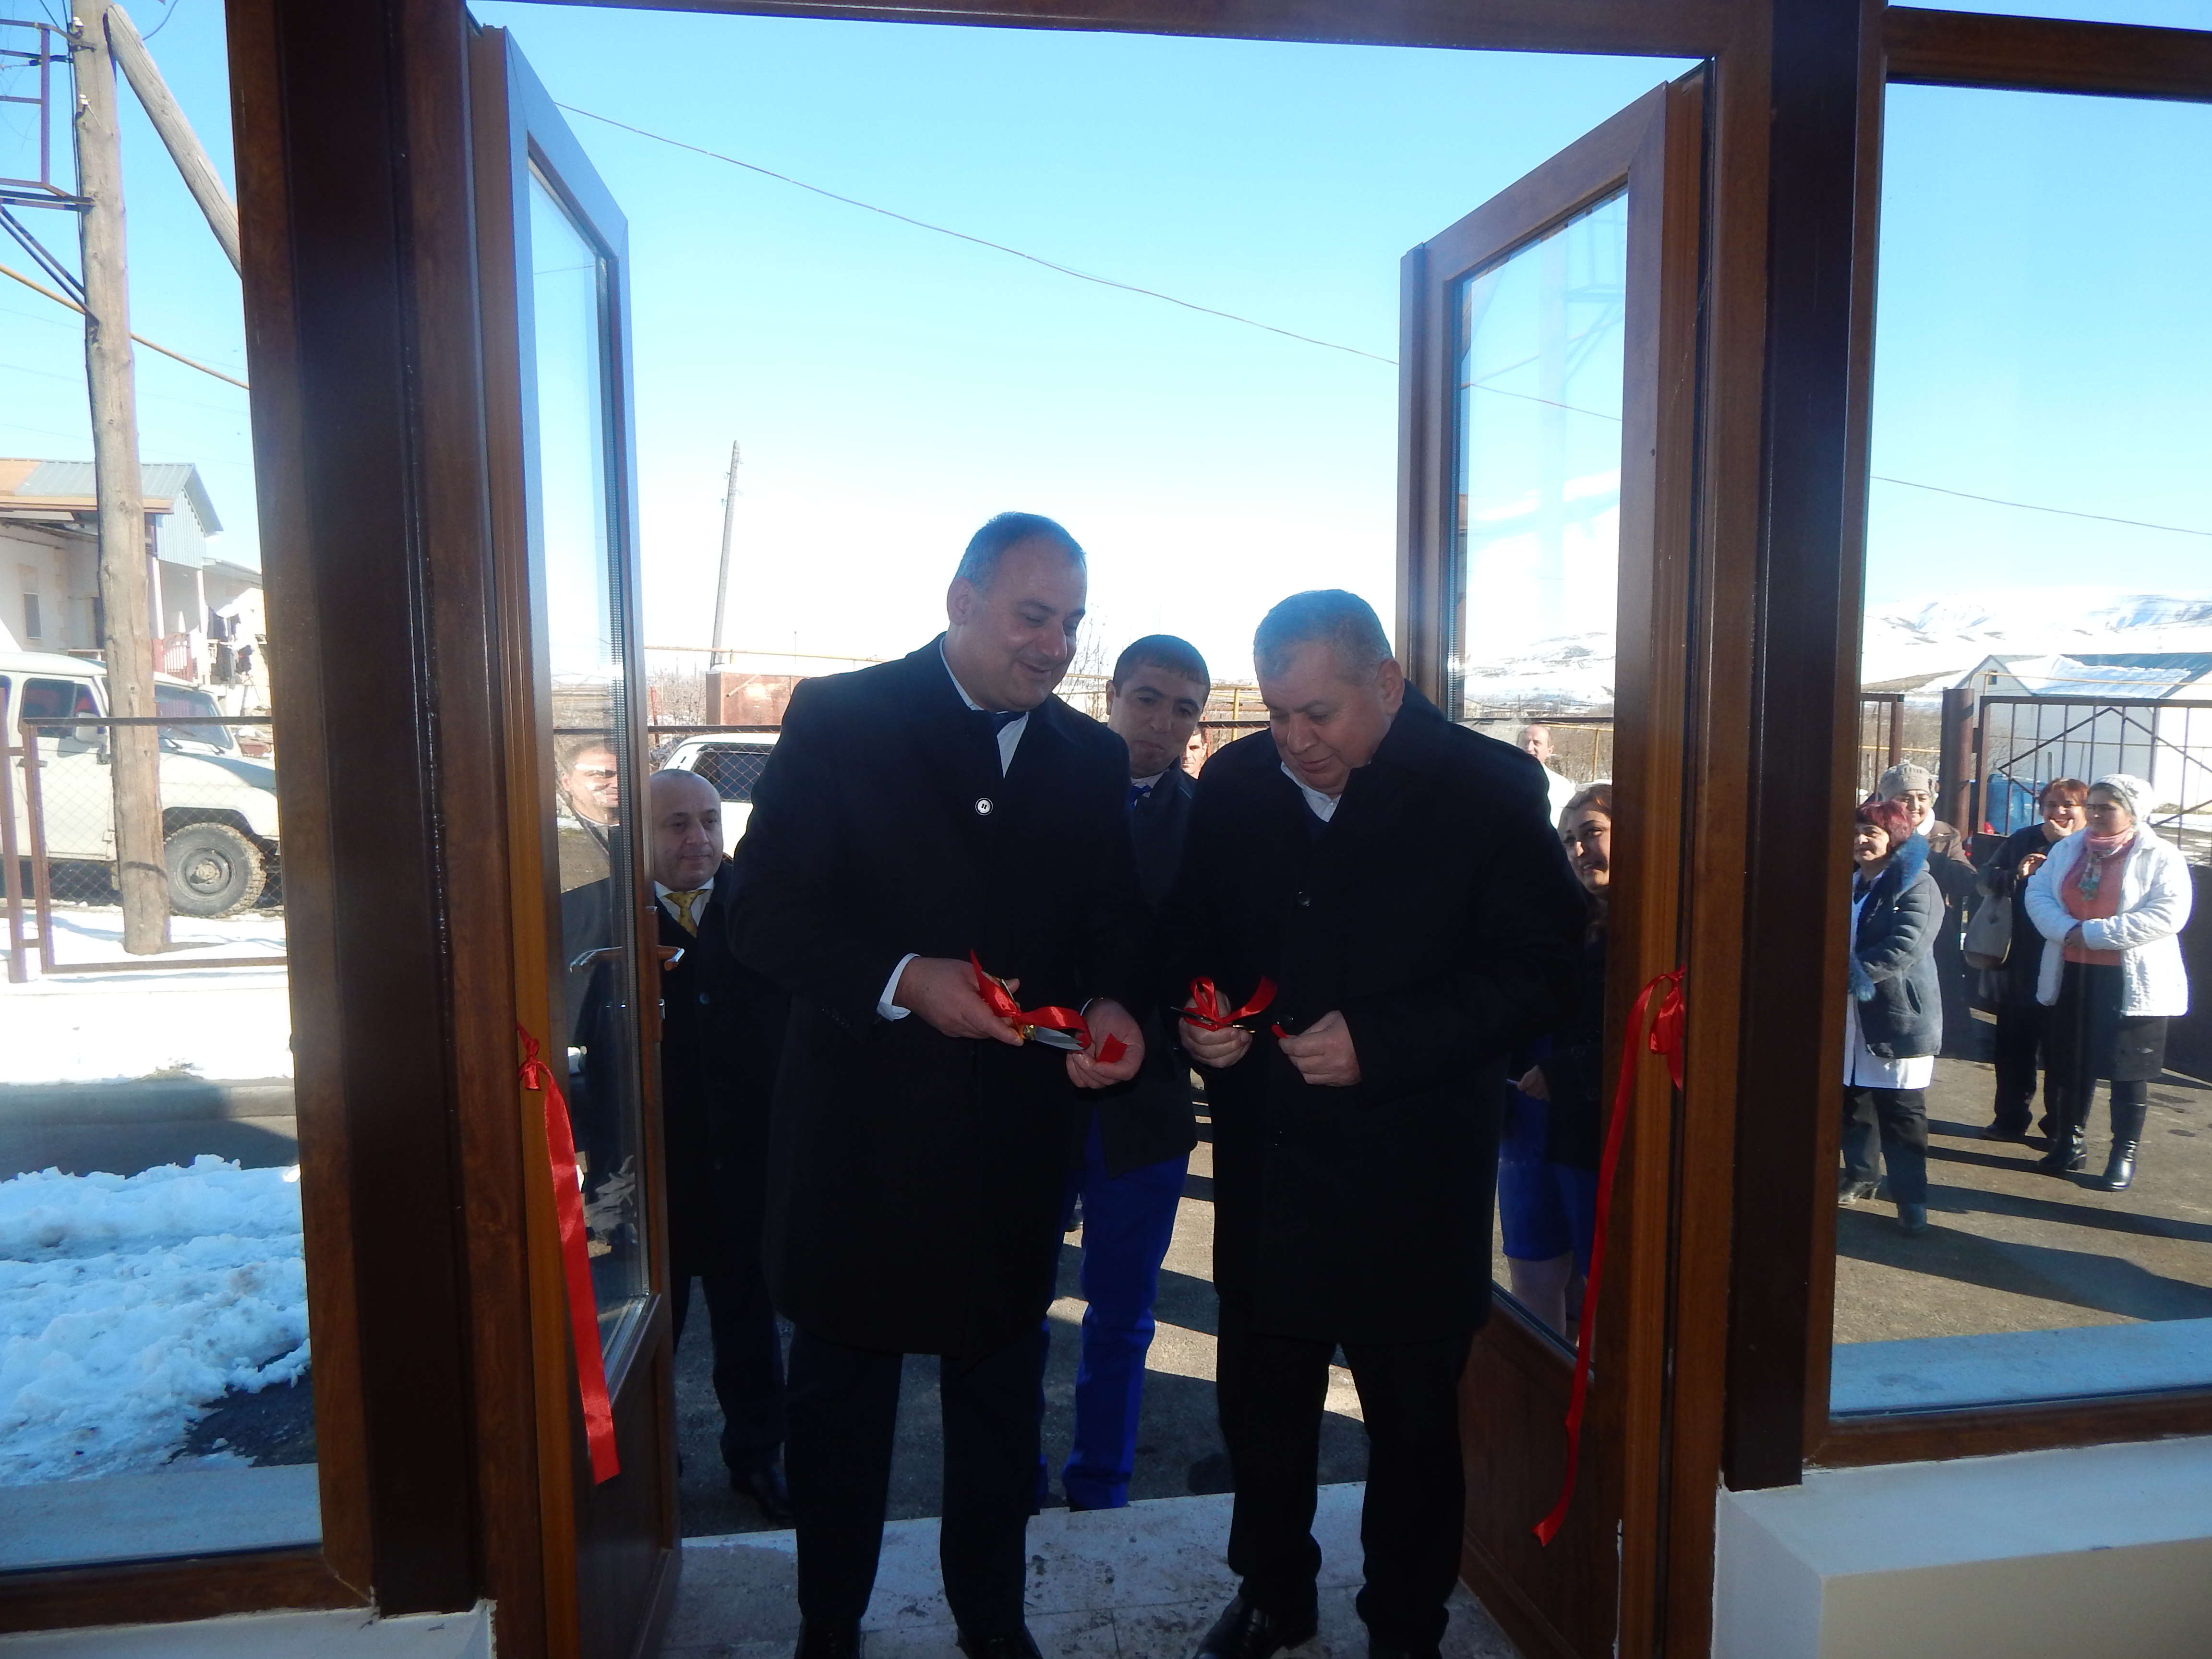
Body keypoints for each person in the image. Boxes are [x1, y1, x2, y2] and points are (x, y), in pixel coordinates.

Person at [727, 512, 1148, 1659]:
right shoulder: (842, 716)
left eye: (1071, 622)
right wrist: (905, 978)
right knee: (840, 1404)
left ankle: (992, 1620)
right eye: (1033, 617)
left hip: (1012, 1144)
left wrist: (1116, 1003)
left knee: (1002, 1399)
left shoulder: (1090, 756)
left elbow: (1114, 916)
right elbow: (759, 909)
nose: (1057, 645)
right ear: (961, 602)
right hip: (857, 1141)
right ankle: (830, 1622)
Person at [1167, 590, 1586, 1659]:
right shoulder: (1237, 783)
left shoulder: (1487, 790)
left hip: (1412, 1172)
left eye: (1319, 713)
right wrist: (1198, 1014)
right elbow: (1191, 929)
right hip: (1269, 1162)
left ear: (1387, 685)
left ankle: (1404, 1625)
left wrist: (1386, 1041)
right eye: (1276, 714)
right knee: (1262, 1405)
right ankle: (1273, 1592)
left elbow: (1544, 970)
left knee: (1411, 1424)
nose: (1294, 740)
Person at [1036, 634, 1209, 1513]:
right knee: (1015, 1305)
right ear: (1110, 695)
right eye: (1147, 698)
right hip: (1035, 1089)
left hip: (1145, 1107)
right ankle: (1008, 1479)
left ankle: (1100, 1484)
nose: (1162, 723)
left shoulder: (1212, 824)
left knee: (1123, 1311)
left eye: (1184, 710)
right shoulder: (1045, 793)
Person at [647, 768, 793, 1521]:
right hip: (653, 1174)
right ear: (641, 836)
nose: (699, 839)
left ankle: (757, 1458)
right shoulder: (605, 918)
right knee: (647, 1334)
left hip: (749, 1168)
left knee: (750, 1332)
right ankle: (646, 1466)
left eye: (708, 820)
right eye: (677, 824)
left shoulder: (764, 913)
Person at [2021, 773, 2192, 1190]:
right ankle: (2069, 1142)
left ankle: (2122, 1154)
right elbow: (2038, 893)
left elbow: (2167, 914)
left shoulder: (2161, 856)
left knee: (2128, 1069)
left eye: (2107, 808)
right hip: (2075, 972)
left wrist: (2094, 934)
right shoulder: (2068, 849)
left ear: (2132, 813)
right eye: (2092, 807)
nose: (2096, 815)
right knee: (2070, 1062)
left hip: (2132, 981)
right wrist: (2066, 930)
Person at [1499, 784, 1611, 1336]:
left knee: (1604, 1284)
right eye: (1569, 840)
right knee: (1532, 1272)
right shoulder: (1557, 919)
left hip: (1593, 1130)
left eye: (1592, 833)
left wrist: (1573, 1071)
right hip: (1528, 1123)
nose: (1580, 850)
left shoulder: (1661, 925)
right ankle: (1548, 1383)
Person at [1839, 795, 1942, 1238]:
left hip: (1899, 1013)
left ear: (1895, 838)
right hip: (1848, 1015)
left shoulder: (1917, 884)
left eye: (1872, 833)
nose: (1861, 841)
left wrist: (1849, 975)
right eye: (1855, 833)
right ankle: (1861, 1174)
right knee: (1852, 1102)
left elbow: (1906, 945)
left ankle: (1911, 1199)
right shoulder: (1845, 882)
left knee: (1902, 1113)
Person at [1977, 779, 2089, 1142]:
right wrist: (2015, 874)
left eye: (2068, 805)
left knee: (2062, 1049)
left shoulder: (2092, 845)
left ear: (2085, 811)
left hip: (2069, 959)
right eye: (2051, 804)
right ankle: (2009, 1118)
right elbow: (1985, 878)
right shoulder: (2023, 839)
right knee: (2013, 1045)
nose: (2058, 812)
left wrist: (2060, 849)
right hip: (2020, 958)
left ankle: (2060, 1126)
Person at [1878, 762, 1978, 1058]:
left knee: (1938, 988)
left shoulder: (1944, 834)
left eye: (1922, 797)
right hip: (1882, 923)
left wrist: (1922, 852)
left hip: (1932, 930)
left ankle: (1942, 1042)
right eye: (1905, 798)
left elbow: (1967, 880)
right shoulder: (1870, 828)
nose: (1915, 806)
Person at [556, 734, 622, 892]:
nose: (618, 783)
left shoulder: (654, 830)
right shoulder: (552, 840)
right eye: (601, 774)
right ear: (567, 782)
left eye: (626, 774)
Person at [1517, 722, 1578, 825]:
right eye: (1525, 742)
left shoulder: (1562, 787)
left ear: (1550, 751)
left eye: (1537, 743)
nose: (1529, 748)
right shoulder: (1501, 780)